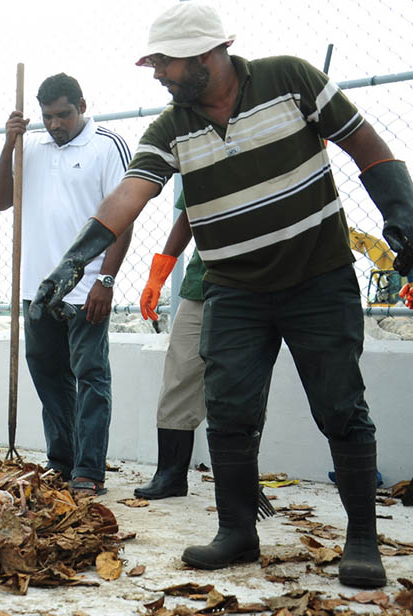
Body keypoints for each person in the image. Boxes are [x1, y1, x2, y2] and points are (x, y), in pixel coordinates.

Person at [29, 3, 413, 589]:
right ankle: (237, 531)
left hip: (318, 278)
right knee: (229, 411)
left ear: (207, 55)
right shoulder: (171, 126)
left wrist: (402, 211)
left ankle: (361, 539)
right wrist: (76, 260)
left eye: (165, 63)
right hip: (233, 289)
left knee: (340, 406)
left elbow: (364, 143)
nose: (157, 74)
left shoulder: (291, 78)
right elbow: (134, 193)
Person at [0, 73, 133, 496]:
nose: (55, 124)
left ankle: (89, 471)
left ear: (82, 106)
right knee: (50, 379)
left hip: (86, 286)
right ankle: (62, 462)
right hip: (37, 290)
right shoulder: (30, 148)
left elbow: (123, 219)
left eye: (64, 114)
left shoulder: (107, 145)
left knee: (90, 378)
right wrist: (8, 143)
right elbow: (0, 200)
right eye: (48, 116)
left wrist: (105, 280)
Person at [133, 193, 205, 500]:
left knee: (243, 388)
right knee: (179, 376)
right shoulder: (200, 151)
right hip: (202, 283)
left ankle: (244, 480)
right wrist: (159, 274)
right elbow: (188, 214)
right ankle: (171, 476)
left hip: (254, 285)